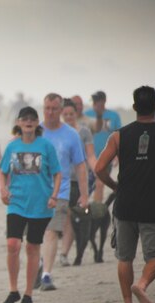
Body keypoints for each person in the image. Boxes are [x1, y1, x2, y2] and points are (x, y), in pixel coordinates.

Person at [95, 86, 155, 303]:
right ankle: (142, 285)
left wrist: (114, 186)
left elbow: (99, 168)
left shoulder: (119, 135)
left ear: (134, 108)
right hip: (154, 206)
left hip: (125, 205)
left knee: (125, 258)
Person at [0, 106, 61, 303]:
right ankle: (13, 290)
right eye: (24, 119)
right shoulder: (12, 147)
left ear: (37, 123)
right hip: (16, 203)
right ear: (18, 123)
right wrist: (3, 190)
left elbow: (58, 173)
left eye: (32, 119)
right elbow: (2, 172)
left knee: (33, 247)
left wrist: (54, 195)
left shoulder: (46, 146)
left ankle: (28, 294)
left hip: (41, 204)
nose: (28, 122)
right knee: (12, 245)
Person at [38, 93, 88, 291]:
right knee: (35, 236)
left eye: (54, 109)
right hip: (34, 193)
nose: (50, 113)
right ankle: (40, 264)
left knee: (51, 232)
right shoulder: (35, 132)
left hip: (60, 191)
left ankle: (46, 275)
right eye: (47, 108)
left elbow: (80, 166)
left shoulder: (71, 135)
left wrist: (84, 195)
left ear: (61, 110)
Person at [59, 98, 98, 265]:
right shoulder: (57, 132)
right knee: (65, 215)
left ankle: (64, 253)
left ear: (77, 114)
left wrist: (97, 170)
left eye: (71, 114)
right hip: (59, 181)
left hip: (79, 181)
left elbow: (90, 155)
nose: (68, 117)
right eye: (65, 114)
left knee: (73, 215)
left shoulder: (84, 132)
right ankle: (62, 251)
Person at [85, 91, 122, 201]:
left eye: (99, 102)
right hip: (88, 157)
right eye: (95, 102)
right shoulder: (87, 115)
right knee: (86, 186)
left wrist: (117, 156)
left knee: (100, 184)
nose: (97, 104)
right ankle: (83, 210)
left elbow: (119, 135)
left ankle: (97, 212)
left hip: (106, 156)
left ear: (104, 101)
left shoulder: (114, 116)